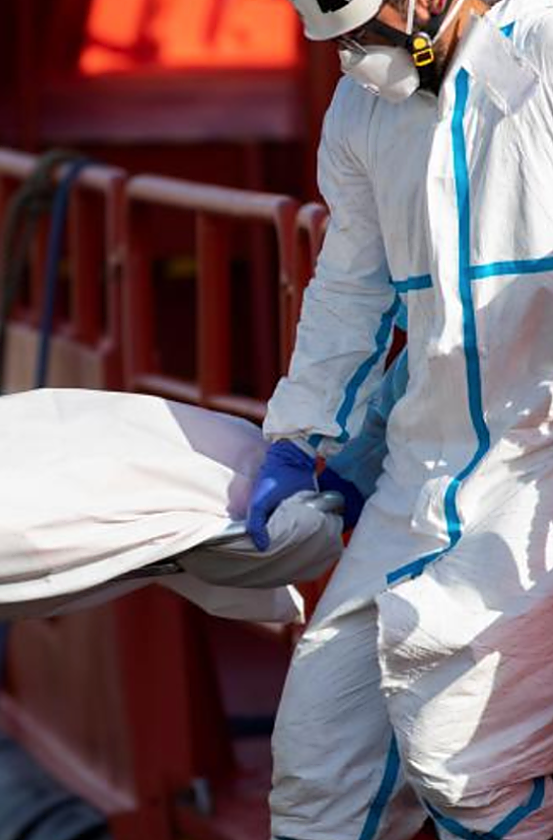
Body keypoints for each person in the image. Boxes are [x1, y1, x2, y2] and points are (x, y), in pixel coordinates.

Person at [247, 0, 553, 838]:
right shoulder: (360, 113)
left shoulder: (543, 56)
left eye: (359, 29)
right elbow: (349, 288)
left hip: (539, 476)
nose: (349, 54)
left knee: (471, 763)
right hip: (425, 471)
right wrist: (304, 439)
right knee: (318, 752)